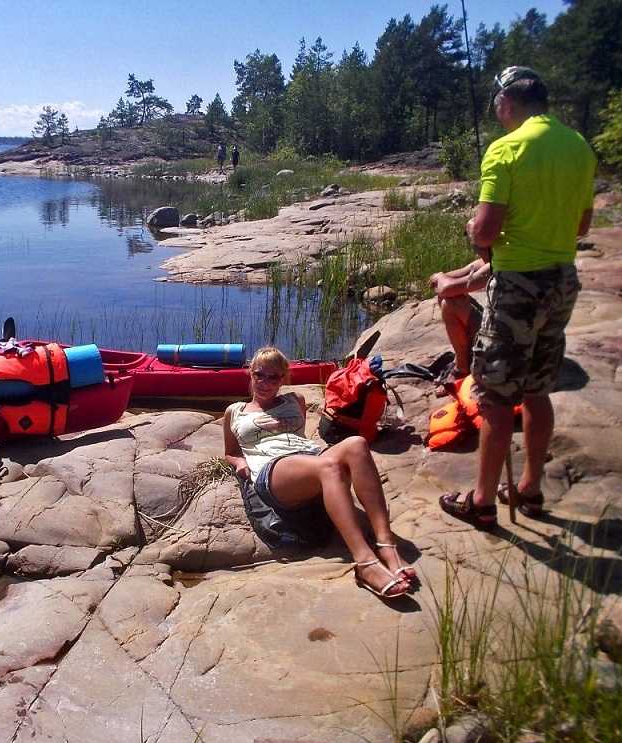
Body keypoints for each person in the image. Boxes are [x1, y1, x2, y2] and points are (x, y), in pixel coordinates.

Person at [439, 66, 596, 527]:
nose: (497, 115)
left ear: (508, 102)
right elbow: (582, 226)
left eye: (497, 107)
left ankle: (483, 501)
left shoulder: (505, 149)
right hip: (562, 280)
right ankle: (529, 489)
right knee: (538, 387)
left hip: (518, 285)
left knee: (495, 395)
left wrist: (476, 232)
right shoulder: (579, 147)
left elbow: (485, 231)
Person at [224, 347, 416, 599]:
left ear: (283, 379)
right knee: (329, 467)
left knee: (357, 444)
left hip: (308, 458)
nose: (265, 382)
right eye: (260, 375)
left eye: (274, 377)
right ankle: (364, 562)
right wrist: (239, 463)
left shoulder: (296, 401)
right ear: (251, 373)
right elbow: (230, 451)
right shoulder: (235, 411)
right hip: (274, 471)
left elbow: (299, 436)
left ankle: (386, 544)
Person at [429, 252, 491, 393]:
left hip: (504, 333)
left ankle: (462, 369)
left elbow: (446, 288)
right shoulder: (488, 258)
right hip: (495, 322)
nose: (475, 247)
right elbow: (458, 274)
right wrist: (440, 276)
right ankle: (464, 358)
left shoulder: (499, 263)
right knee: (448, 297)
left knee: (450, 302)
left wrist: (439, 277)